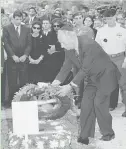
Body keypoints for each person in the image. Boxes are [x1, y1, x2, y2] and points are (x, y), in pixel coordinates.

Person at [52, 26, 121, 145]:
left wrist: (70, 86)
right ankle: (84, 136)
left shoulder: (89, 44)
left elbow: (85, 68)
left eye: (63, 42)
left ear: (71, 38)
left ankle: (108, 133)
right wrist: (55, 83)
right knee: (86, 104)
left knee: (99, 103)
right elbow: (66, 67)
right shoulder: (69, 48)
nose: (62, 46)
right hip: (93, 78)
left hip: (106, 76)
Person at [95, 8, 126, 113]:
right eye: (107, 19)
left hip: (120, 58)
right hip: (107, 59)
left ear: (115, 17)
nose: (109, 21)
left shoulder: (122, 29)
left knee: (123, 84)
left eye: (111, 18)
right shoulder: (101, 30)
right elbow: (97, 47)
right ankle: (110, 104)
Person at [3, 10, 31, 108]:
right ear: (13, 19)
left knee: (23, 81)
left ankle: (23, 101)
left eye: (20, 19)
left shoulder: (27, 29)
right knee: (12, 81)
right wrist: (13, 55)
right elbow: (6, 43)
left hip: (23, 59)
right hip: (12, 60)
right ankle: (11, 101)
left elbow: (29, 44)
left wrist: (25, 55)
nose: (19, 21)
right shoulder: (7, 28)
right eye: (17, 19)